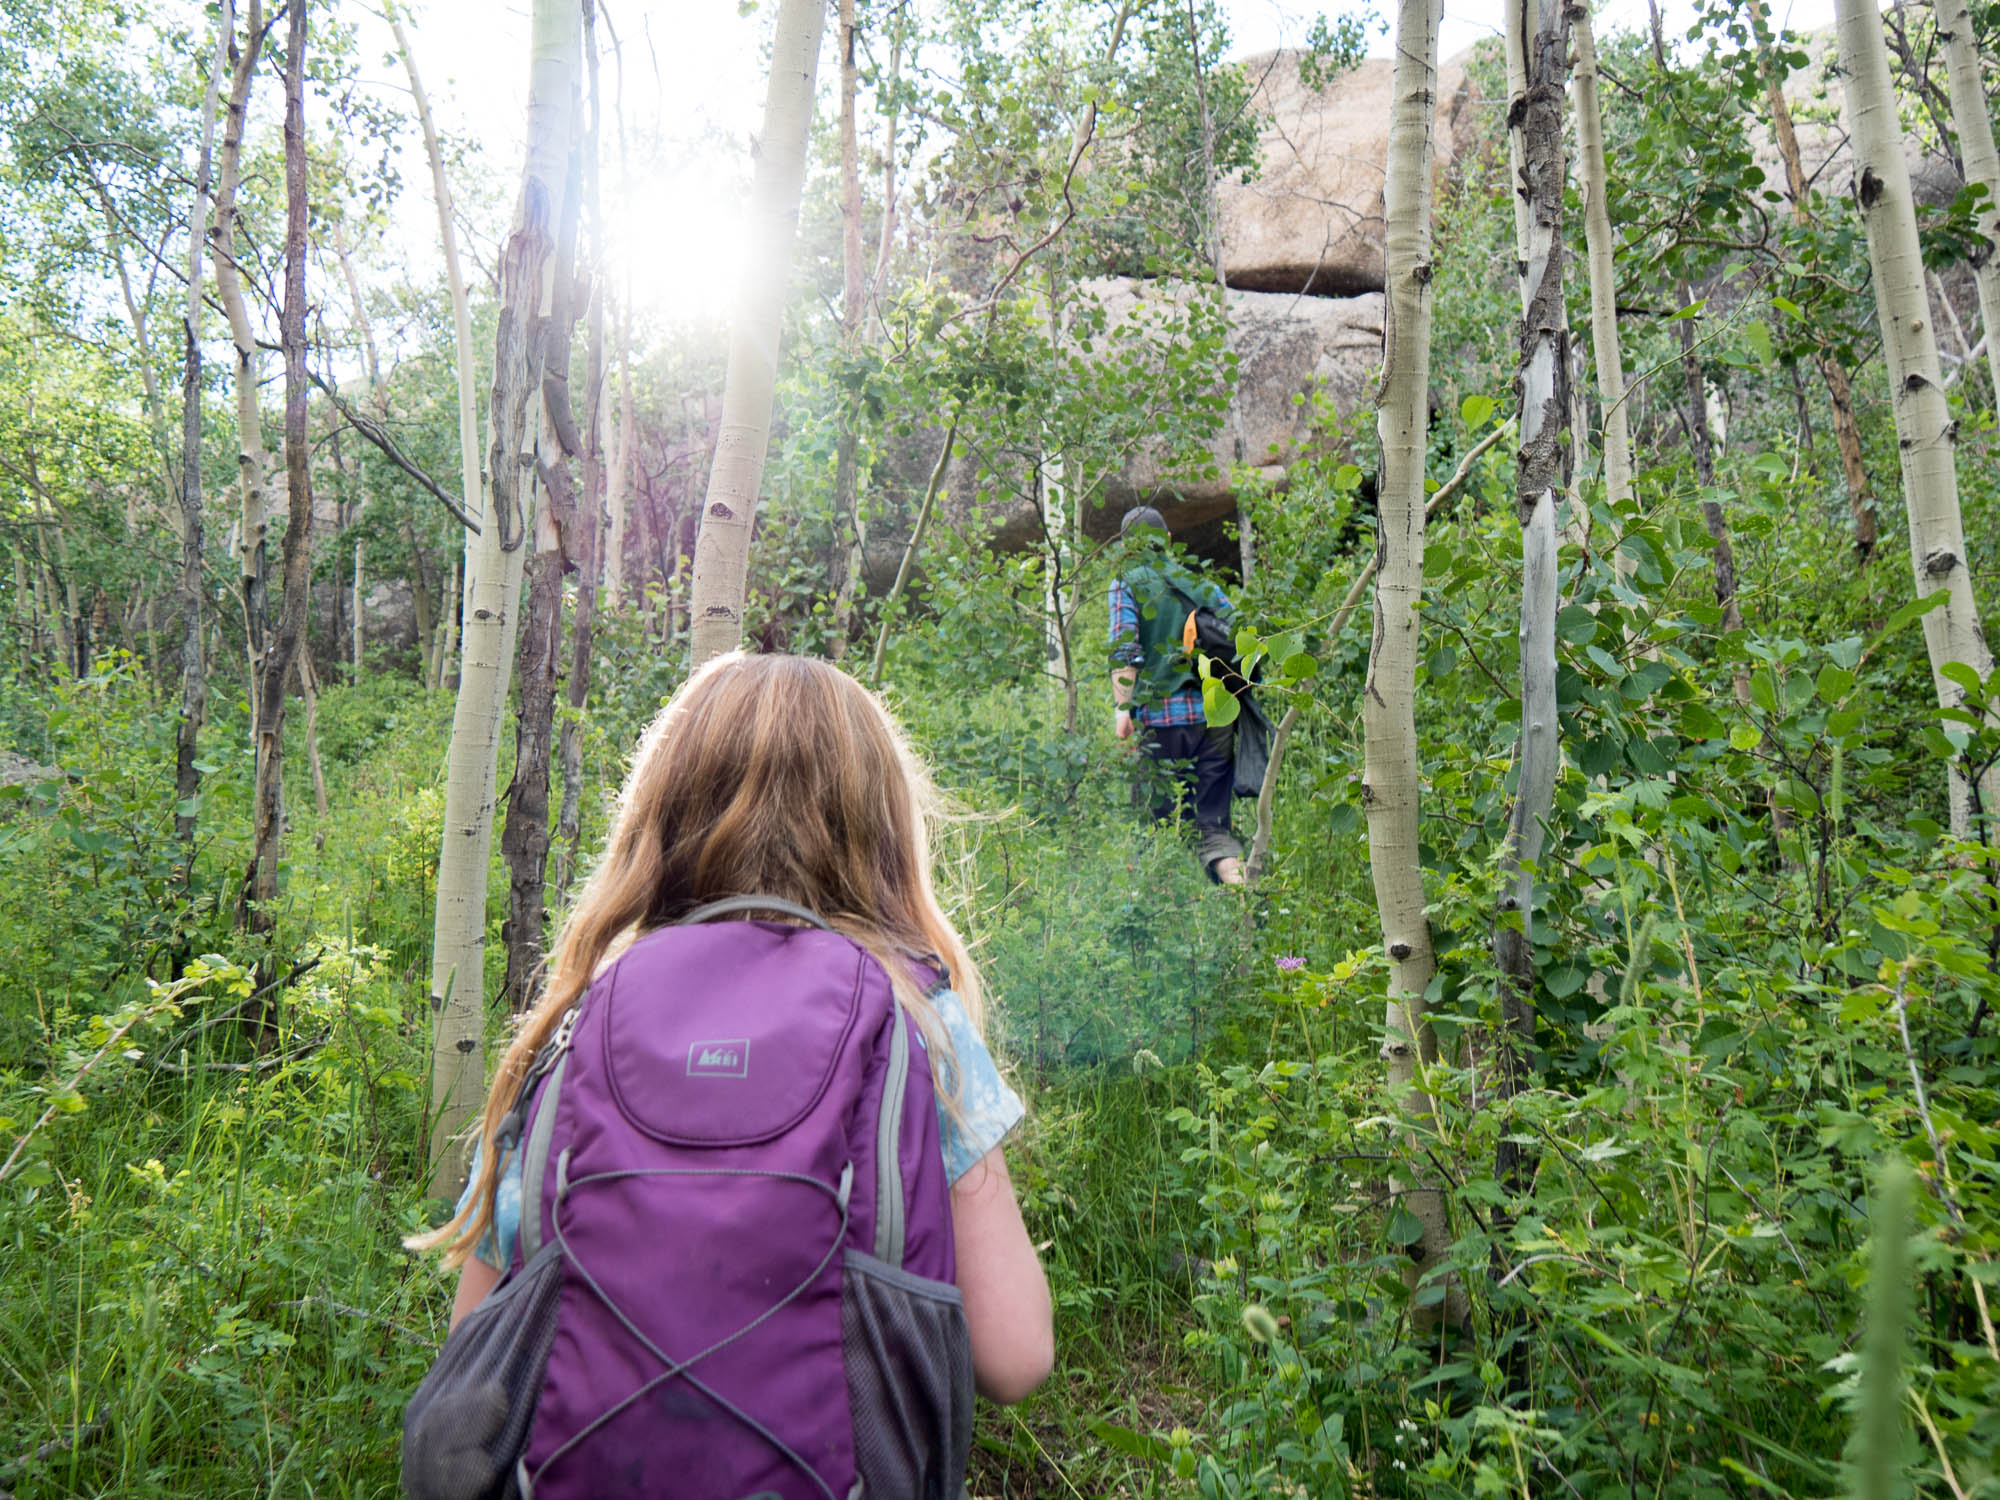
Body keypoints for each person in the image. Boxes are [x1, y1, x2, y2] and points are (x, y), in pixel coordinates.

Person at [412, 652, 1054, 1411]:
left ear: (660, 817)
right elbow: (1015, 1356)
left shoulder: (584, 1021)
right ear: (881, 826)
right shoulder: (915, 1017)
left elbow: (475, 1354)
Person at [1109, 506, 1247, 884]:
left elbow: (1125, 651)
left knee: (1157, 831)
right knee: (1213, 829)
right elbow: (1239, 640)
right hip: (1216, 720)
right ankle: (1244, 898)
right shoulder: (1203, 586)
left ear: (1125, 548)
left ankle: (1163, 907)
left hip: (1160, 725)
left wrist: (1123, 712)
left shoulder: (1127, 583)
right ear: (1168, 541)